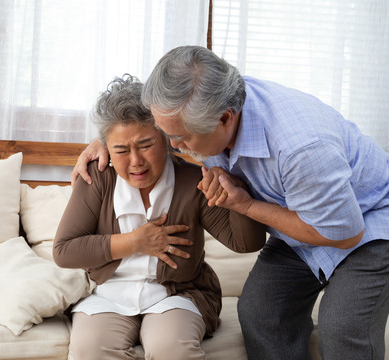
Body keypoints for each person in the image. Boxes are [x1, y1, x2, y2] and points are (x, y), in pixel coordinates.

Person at [72, 46, 389, 360]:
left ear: (225, 118)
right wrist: (105, 142)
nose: (173, 145)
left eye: (181, 138)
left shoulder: (301, 149)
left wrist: (247, 205)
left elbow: (343, 234)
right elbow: (156, 116)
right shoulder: (206, 103)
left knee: (342, 327)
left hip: (366, 223)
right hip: (301, 220)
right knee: (260, 312)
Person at [54, 74, 266, 360]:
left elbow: (246, 244)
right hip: (109, 295)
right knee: (89, 349)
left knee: (171, 348)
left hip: (178, 295)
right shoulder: (98, 178)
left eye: (145, 145)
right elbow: (65, 251)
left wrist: (238, 190)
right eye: (121, 150)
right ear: (107, 148)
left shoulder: (194, 181)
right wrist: (135, 242)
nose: (135, 161)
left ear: (167, 139)